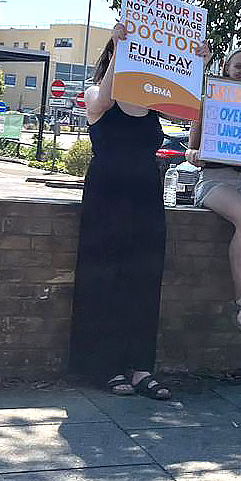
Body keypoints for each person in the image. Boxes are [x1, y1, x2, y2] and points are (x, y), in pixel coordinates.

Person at [67, 23, 186, 400]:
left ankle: (140, 368)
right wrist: (121, 47)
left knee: (143, 279)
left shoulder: (152, 106)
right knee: (106, 278)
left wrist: (200, 62)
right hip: (108, 193)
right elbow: (103, 99)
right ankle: (104, 367)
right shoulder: (96, 94)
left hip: (146, 193)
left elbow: (191, 106)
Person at [185, 48, 241, 342]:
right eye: (238, 66)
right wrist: (196, 154)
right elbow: (189, 150)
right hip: (214, 179)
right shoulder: (208, 102)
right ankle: (239, 299)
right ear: (226, 68)